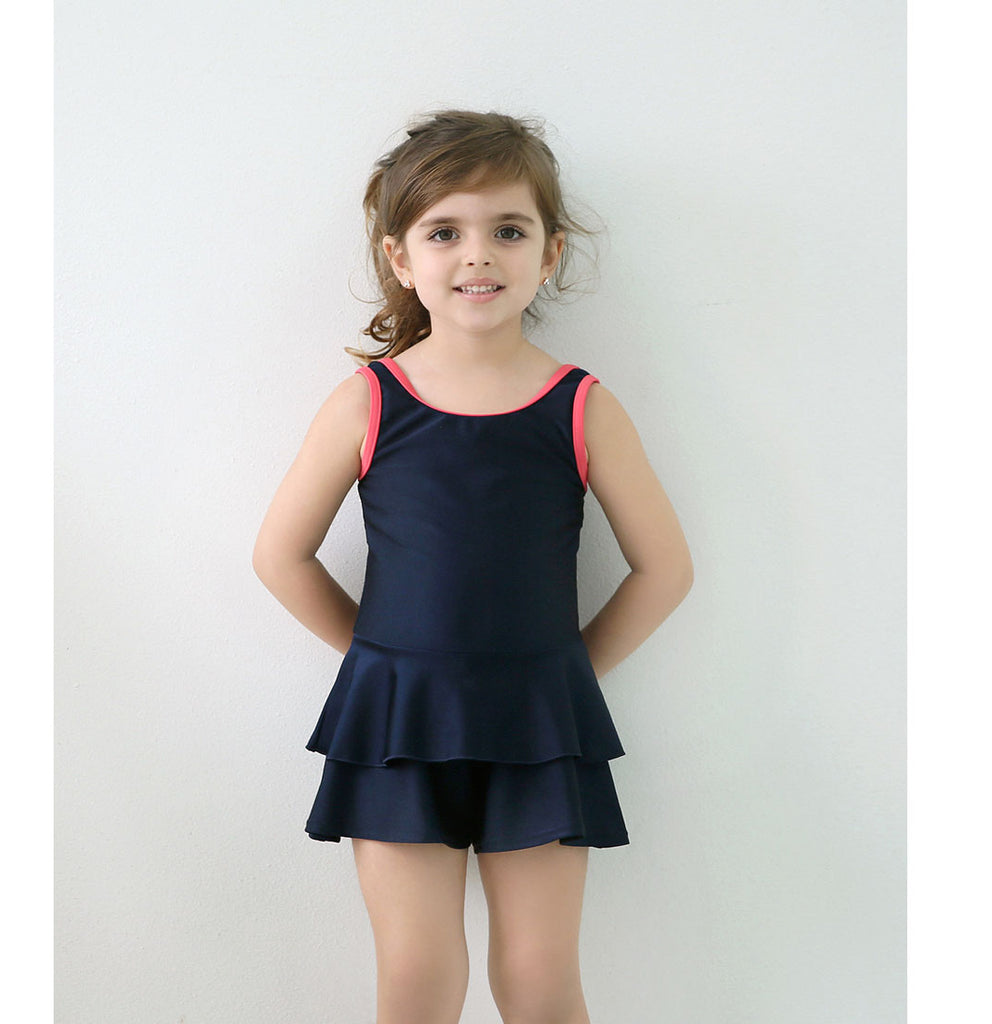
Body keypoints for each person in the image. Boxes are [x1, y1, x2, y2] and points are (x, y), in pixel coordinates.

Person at [253, 109, 694, 1024]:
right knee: (418, 980)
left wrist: (564, 678)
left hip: (539, 727)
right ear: (400, 256)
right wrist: (380, 665)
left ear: (551, 251)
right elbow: (280, 555)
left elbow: (664, 569)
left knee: (539, 981)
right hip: (397, 727)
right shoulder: (368, 402)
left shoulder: (582, 406)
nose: (477, 254)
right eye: (444, 231)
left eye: (509, 230)